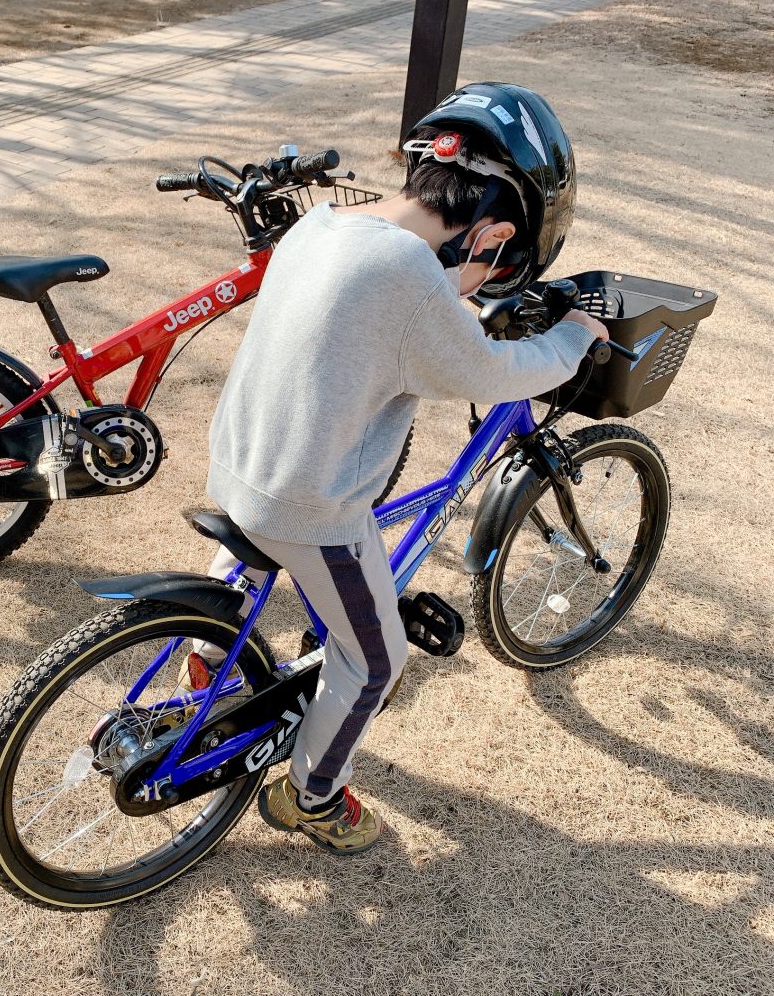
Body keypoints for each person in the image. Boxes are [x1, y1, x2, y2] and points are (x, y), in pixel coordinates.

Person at [188, 83, 608, 855]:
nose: (489, 275)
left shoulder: (321, 227)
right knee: (377, 659)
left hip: (243, 462)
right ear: (492, 234)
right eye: (498, 263)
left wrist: (446, 291)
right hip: (310, 506)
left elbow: (386, 305)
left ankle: (204, 656)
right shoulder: (413, 282)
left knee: (254, 561)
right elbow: (488, 371)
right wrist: (576, 335)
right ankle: (310, 798)